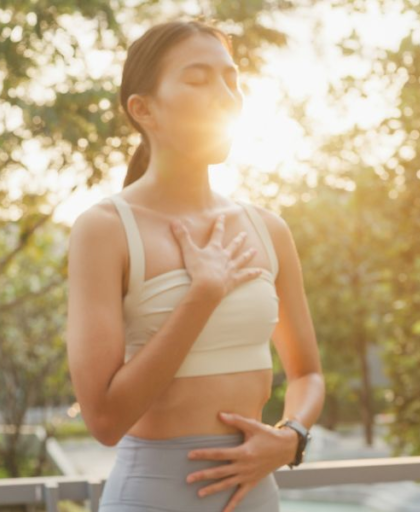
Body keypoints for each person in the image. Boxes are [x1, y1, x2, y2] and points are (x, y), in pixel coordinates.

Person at [66, 20, 325, 512]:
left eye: (232, 78)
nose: (226, 95)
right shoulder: (104, 229)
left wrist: (292, 437)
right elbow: (103, 420)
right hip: (151, 497)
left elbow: (307, 373)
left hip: (257, 497)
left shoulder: (268, 228)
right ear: (144, 110)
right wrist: (202, 295)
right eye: (199, 78)